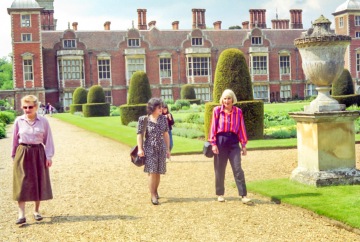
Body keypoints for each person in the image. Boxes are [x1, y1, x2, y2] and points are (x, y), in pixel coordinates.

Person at [11, 95, 55, 224]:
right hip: (22, 152)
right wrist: (14, 157)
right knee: (21, 183)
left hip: (38, 153)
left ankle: (36, 211)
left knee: (38, 181)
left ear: (36, 107)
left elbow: (49, 140)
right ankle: (21, 214)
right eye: (25, 107)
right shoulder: (18, 121)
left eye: (30, 107)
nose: (27, 109)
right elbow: (14, 141)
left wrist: (49, 157)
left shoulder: (43, 121)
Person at [208, 89, 251, 204]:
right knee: (219, 168)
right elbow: (213, 127)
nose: (226, 101)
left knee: (237, 168)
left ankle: (243, 195)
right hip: (220, 141)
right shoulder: (217, 110)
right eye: (225, 98)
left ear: (233, 99)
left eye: (229, 98)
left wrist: (244, 145)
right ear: (222, 99)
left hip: (233, 142)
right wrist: (213, 144)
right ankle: (220, 194)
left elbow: (241, 128)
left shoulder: (238, 112)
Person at [137, 98, 170, 205]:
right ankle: (152, 196)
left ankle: (155, 191)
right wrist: (140, 149)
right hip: (149, 148)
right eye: (159, 107)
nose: (162, 108)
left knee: (158, 171)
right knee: (152, 172)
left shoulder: (163, 119)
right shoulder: (144, 119)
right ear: (152, 108)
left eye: (162, 106)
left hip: (160, 148)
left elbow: (166, 134)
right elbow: (140, 135)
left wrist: (168, 149)